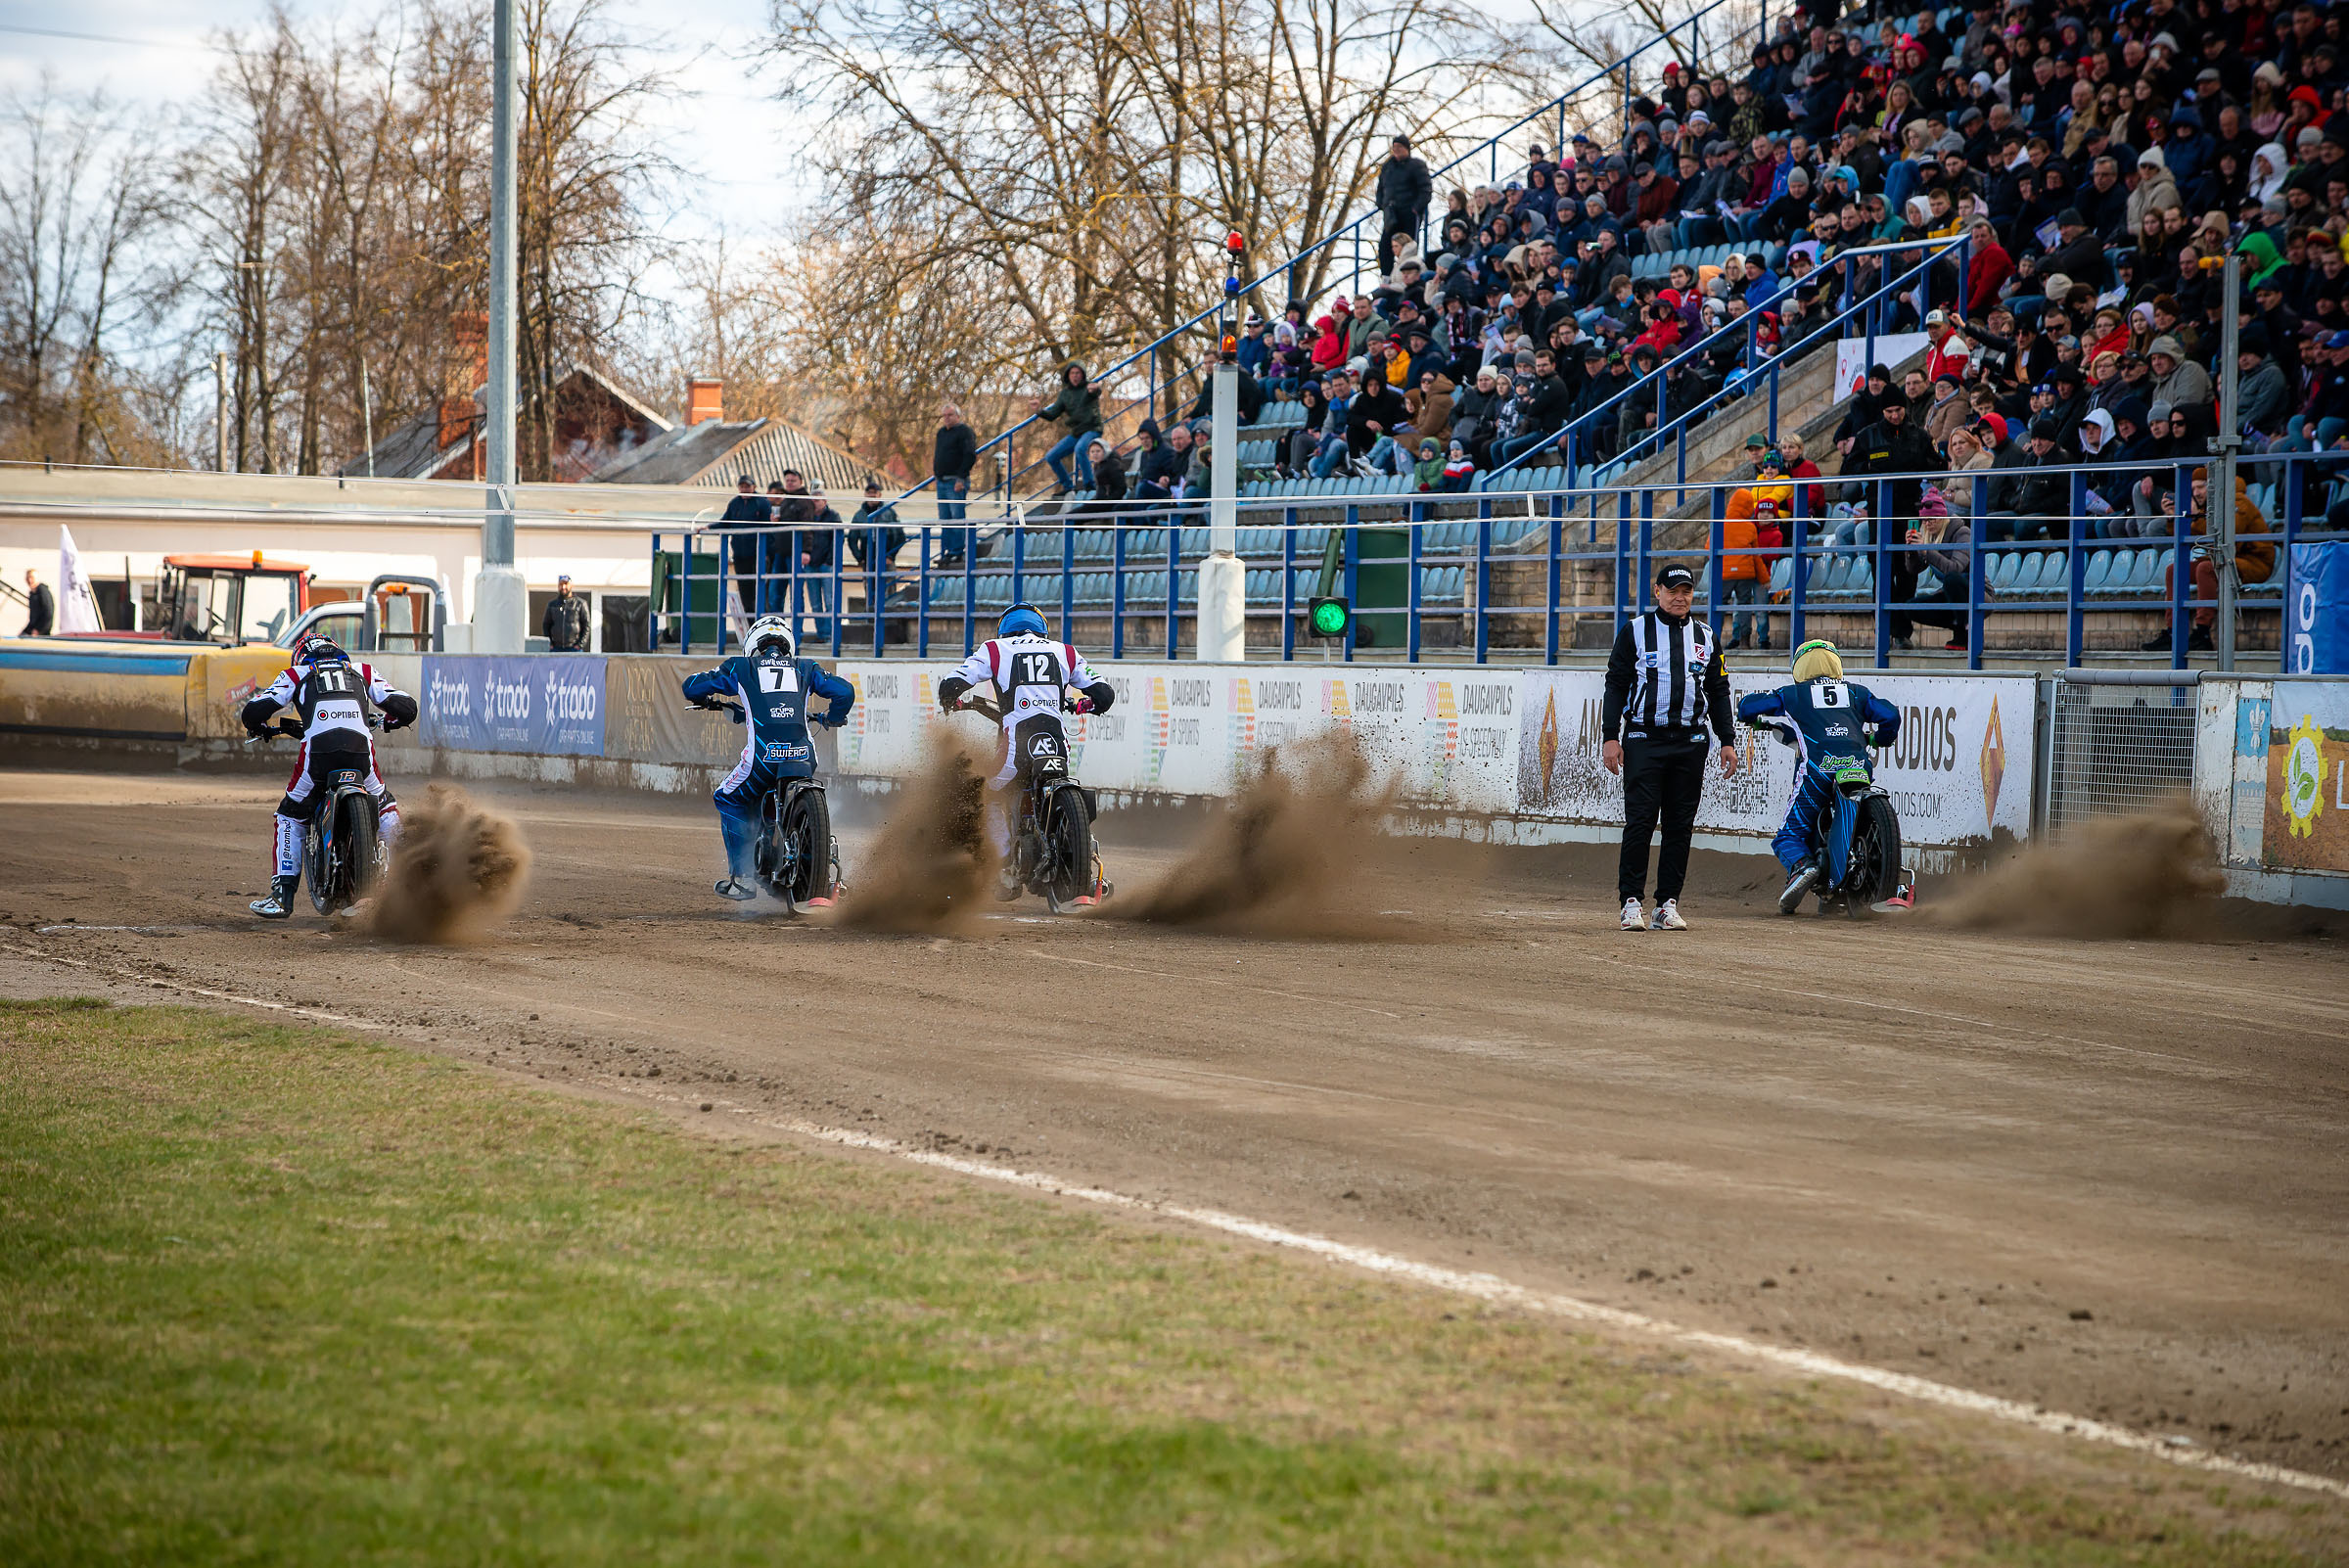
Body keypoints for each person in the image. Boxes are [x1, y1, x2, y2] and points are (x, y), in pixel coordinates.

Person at [935, 604, 1118, 901]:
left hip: (1017, 745)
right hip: (1057, 743)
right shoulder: (1065, 651)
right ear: (1042, 629)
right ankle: (1081, 855)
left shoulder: (995, 649)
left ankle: (1004, 868)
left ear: (1004, 630)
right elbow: (1105, 695)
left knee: (985, 793)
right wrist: (1086, 705)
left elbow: (952, 683)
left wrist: (950, 700)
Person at [239, 629, 418, 919]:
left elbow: (253, 711)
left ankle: (282, 895)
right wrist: (390, 722)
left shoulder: (296, 673)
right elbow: (407, 707)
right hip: (360, 750)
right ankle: (402, 882)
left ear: (301, 655)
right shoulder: (362, 671)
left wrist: (259, 727)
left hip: (318, 752)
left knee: (291, 813)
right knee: (385, 807)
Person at [1601, 564, 1738, 932]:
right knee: (1641, 821)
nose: (1680, 598)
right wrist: (1610, 736)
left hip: (1691, 742)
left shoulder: (1706, 636)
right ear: (1657, 591)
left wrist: (1727, 739)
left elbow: (1718, 689)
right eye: (1673, 590)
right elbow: (1615, 684)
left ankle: (1667, 904)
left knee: (1680, 825)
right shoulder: (1634, 631)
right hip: (1644, 739)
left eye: (1687, 591)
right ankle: (1631, 902)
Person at [681, 615, 854, 902]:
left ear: (752, 645)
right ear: (788, 644)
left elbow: (692, 686)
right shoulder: (806, 667)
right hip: (803, 757)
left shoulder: (741, 667)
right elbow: (844, 692)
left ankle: (742, 878)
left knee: (728, 797)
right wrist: (832, 718)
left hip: (763, 759)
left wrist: (702, 697)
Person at [1736, 639, 1903, 914]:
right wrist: (1881, 738)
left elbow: (1747, 708)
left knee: (1787, 837)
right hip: (1858, 766)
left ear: (1800, 667)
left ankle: (1803, 865)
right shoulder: (1857, 693)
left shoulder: (1794, 694)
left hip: (1818, 769)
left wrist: (1752, 713)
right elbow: (1890, 715)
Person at [1033, 365, 1102, 493]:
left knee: (1080, 449)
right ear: (1068, 376)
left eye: (1078, 373)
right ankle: (1068, 486)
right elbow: (1053, 414)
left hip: (1092, 428)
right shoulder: (1065, 394)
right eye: (1072, 373)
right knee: (1051, 456)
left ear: (1082, 375)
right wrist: (1039, 410)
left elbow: (1096, 391)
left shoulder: (1088, 387)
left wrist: (1096, 388)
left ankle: (1089, 485)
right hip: (1076, 432)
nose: (1075, 376)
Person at [717, 475, 771, 621]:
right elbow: (725, 522)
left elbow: (769, 528)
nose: (744, 489)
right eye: (742, 486)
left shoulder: (762, 503)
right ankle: (750, 624)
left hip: (757, 554)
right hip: (740, 554)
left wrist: (766, 552)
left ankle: (763, 624)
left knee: (759, 591)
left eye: (747, 486)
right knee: (744, 591)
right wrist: (708, 527)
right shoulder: (735, 503)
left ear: (754, 487)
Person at [934, 403, 978, 565]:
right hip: (942, 480)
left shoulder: (964, 432)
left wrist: (961, 478)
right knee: (944, 518)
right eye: (944, 415)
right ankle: (947, 551)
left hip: (955, 481)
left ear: (958, 416)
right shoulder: (941, 433)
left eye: (950, 415)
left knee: (956, 517)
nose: (947, 418)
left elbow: (970, 455)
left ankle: (957, 551)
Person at [542, 574, 590, 651]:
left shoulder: (580, 604)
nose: (563, 587)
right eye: (561, 584)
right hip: (556, 649)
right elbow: (546, 625)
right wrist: (550, 644)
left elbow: (586, 626)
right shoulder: (552, 605)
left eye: (566, 584)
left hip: (574, 649)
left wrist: (580, 645)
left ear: (571, 585)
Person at [21, 569, 52, 635]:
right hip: (32, 628)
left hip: (41, 632)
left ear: (37, 578)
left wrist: (38, 630)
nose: (30, 580)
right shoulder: (32, 594)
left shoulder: (43, 591)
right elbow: (33, 618)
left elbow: (48, 613)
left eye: (32, 577)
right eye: (28, 578)